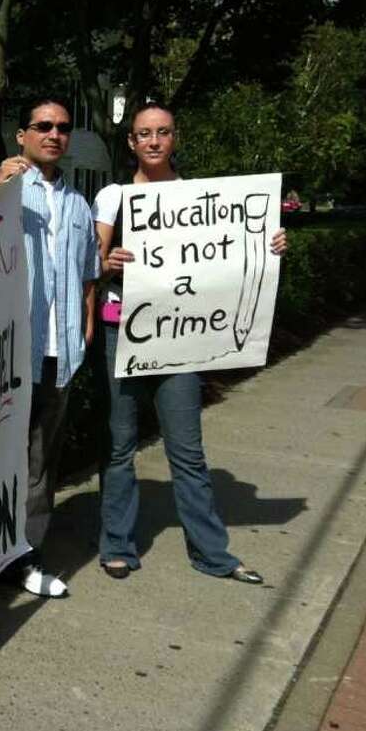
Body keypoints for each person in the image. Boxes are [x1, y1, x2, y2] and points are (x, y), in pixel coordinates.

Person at [92, 101, 286, 583]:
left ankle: (211, 553)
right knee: (119, 447)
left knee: (188, 451)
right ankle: (117, 544)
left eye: (162, 132)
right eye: (144, 134)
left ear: (175, 137)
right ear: (131, 142)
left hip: (181, 341)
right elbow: (90, 264)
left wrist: (270, 244)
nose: (154, 141)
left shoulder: (201, 198)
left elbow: (231, 253)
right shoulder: (113, 197)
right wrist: (108, 262)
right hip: (123, 334)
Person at [0, 98, 98, 599]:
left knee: (40, 465)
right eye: (43, 126)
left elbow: (88, 273)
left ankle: (24, 556)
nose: (54, 134)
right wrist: (1, 185)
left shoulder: (79, 205)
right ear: (22, 134)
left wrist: (85, 324)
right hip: (1, 356)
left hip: (57, 356)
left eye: (63, 127)